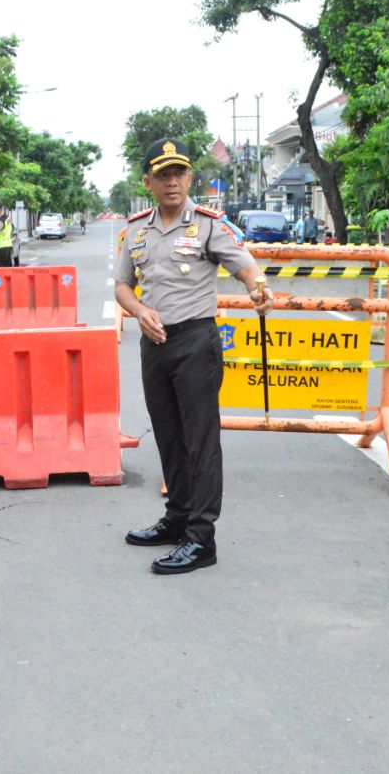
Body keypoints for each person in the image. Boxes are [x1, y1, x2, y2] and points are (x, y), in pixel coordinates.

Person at [113, 138, 273, 575]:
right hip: (155, 344)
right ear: (148, 181)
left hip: (196, 343)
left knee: (200, 441)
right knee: (168, 435)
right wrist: (140, 311)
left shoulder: (208, 225)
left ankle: (202, 539)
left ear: (189, 178)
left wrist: (259, 288)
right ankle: (177, 518)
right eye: (163, 175)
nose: (172, 182)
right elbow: (123, 285)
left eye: (179, 173)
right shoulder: (136, 230)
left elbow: (244, 265)